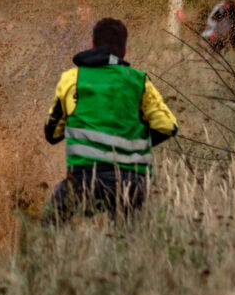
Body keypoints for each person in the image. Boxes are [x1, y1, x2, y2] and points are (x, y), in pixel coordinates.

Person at [41, 17, 178, 219]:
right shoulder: (139, 80)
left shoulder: (71, 78)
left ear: (92, 45)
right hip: (131, 183)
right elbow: (168, 127)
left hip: (83, 181)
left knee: (50, 225)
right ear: (124, 51)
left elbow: (52, 134)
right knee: (126, 239)